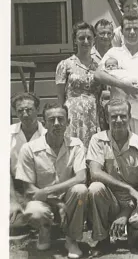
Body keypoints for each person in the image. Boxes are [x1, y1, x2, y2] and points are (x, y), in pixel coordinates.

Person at [15, 103, 88, 259]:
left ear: (68, 122)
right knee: (33, 211)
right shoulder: (29, 149)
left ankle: (71, 239)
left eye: (61, 119)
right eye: (52, 119)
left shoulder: (76, 145)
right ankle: (44, 231)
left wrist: (48, 191)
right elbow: (28, 189)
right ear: (44, 122)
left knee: (81, 190)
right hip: (43, 202)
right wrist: (57, 203)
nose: (56, 124)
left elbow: (81, 177)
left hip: (69, 200)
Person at [87, 99, 138, 256]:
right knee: (95, 188)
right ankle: (102, 239)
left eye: (123, 116)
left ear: (130, 117)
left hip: (135, 200)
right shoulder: (98, 140)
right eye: (114, 116)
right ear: (107, 118)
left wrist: (126, 212)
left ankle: (134, 235)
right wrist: (127, 188)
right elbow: (95, 173)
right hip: (110, 200)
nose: (118, 120)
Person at [95, 13, 138, 137]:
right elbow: (98, 74)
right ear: (121, 31)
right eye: (127, 29)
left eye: (136, 28)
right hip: (118, 116)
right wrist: (123, 86)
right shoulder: (114, 53)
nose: (132, 32)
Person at [56, 22, 102, 148]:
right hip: (72, 113)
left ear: (94, 40)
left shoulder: (99, 66)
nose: (86, 41)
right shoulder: (65, 65)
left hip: (94, 113)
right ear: (75, 40)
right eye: (81, 38)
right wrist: (60, 118)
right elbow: (60, 97)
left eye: (89, 38)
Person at [10, 93, 47, 234]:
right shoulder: (7, 134)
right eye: (20, 111)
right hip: (14, 188)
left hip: (39, 188)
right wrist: (12, 201)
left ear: (37, 109)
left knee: (34, 215)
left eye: (29, 109)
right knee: (13, 220)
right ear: (15, 112)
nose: (25, 114)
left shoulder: (47, 135)